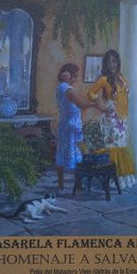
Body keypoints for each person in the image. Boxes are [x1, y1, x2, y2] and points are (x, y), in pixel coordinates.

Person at [86, 49, 136, 186]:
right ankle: (112, 180)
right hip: (110, 120)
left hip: (122, 119)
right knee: (114, 147)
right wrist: (101, 105)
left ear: (118, 62)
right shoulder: (103, 79)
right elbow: (90, 93)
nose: (112, 65)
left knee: (122, 146)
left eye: (114, 62)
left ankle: (122, 178)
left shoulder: (121, 78)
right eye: (109, 63)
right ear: (105, 65)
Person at [54, 62, 98, 192]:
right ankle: (77, 184)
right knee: (76, 155)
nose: (76, 78)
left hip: (64, 124)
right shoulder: (67, 89)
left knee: (62, 153)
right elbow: (80, 103)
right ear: (68, 75)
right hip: (71, 126)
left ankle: (61, 184)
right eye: (75, 76)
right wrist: (95, 104)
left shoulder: (60, 87)